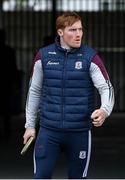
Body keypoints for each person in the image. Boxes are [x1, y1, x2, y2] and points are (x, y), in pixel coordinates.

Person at [23, 12, 114, 179]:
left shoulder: (90, 57)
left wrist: (104, 110)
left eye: (80, 29)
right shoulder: (42, 56)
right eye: (72, 30)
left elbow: (106, 88)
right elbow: (34, 91)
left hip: (79, 132)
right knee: (40, 177)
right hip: (48, 131)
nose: (78, 34)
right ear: (60, 32)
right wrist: (29, 126)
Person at [0, 29, 18, 138]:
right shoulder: (9, 51)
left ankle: (6, 131)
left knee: (5, 108)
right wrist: (15, 83)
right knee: (6, 109)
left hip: (5, 82)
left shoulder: (9, 51)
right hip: (6, 82)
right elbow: (13, 68)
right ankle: (7, 131)